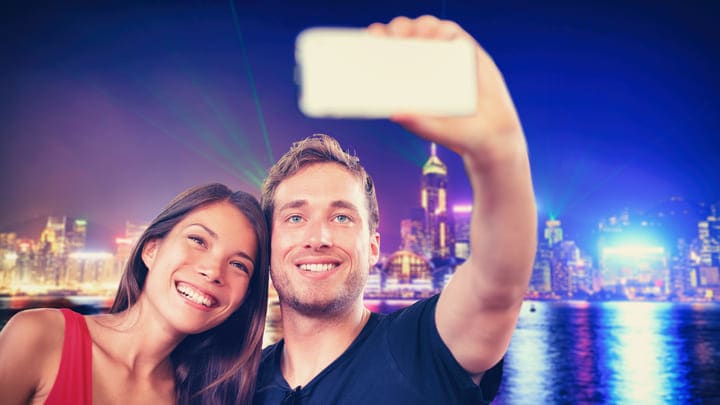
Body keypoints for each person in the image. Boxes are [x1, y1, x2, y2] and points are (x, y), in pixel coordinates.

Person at [253, 15, 537, 404]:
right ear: (268, 243)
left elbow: (497, 285)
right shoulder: (239, 383)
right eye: (296, 217)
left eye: (341, 217)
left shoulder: (422, 347)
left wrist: (499, 151)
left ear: (372, 247)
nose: (317, 238)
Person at [0, 183, 269, 405]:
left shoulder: (209, 396)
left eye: (239, 265)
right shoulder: (39, 337)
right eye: (198, 241)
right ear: (151, 249)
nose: (213, 271)